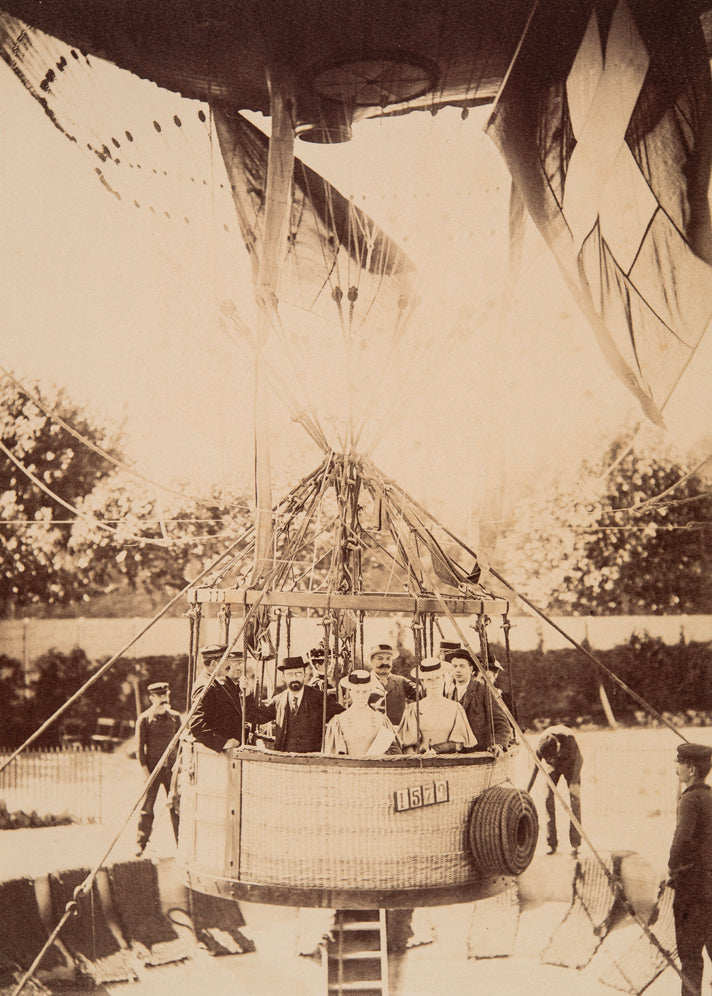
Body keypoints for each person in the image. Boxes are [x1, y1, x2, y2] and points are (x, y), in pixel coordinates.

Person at [668, 742, 712, 996]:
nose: (677, 768)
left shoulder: (690, 799)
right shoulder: (709, 795)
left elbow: (682, 839)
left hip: (692, 888)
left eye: (680, 763)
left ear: (692, 769)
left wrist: (673, 868)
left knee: (691, 956)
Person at [254, 655, 343, 753]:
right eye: (290, 674)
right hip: (285, 758)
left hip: (313, 758)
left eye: (298, 674)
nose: (294, 678)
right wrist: (246, 695)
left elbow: (342, 716)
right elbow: (256, 716)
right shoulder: (278, 700)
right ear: (284, 677)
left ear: (304, 675)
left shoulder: (319, 698)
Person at [135, 681, 181, 856]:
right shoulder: (144, 719)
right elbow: (140, 751)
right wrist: (147, 775)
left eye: (165, 695)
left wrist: (179, 770)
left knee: (177, 807)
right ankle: (140, 844)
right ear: (151, 698)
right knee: (147, 808)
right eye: (159, 696)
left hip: (173, 772)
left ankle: (181, 843)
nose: (163, 699)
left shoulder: (175, 717)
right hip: (152, 771)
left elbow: (181, 745)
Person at [397, 658, 476, 754]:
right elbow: (407, 745)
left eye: (438, 678)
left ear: (443, 679)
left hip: (449, 762)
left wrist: (437, 749)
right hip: (421, 762)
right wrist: (416, 759)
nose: (434, 683)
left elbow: (459, 744)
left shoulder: (455, 708)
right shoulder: (413, 709)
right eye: (429, 679)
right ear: (423, 682)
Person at [526, 724, 583, 856]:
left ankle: (575, 843)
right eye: (548, 758)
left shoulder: (569, 739)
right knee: (547, 799)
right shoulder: (540, 746)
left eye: (552, 756)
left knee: (575, 801)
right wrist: (526, 791)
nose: (551, 759)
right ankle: (551, 843)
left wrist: (574, 783)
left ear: (557, 746)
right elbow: (534, 770)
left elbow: (579, 760)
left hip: (571, 767)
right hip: (553, 769)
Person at [445, 648, 510, 756]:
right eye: (454, 666)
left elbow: (502, 723)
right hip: (456, 755)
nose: (458, 670)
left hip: (481, 754)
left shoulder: (484, 690)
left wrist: (499, 745)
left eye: (462, 666)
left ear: (471, 669)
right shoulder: (449, 693)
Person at [188, 649, 255, 753]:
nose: (229, 666)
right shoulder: (206, 686)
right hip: (221, 754)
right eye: (226, 662)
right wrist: (222, 743)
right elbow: (197, 725)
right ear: (214, 663)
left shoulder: (215, 682)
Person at [324, 670, 402, 756]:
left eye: (365, 691)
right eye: (357, 691)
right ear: (350, 691)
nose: (361, 696)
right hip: (349, 768)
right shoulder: (339, 721)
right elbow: (333, 756)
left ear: (370, 692)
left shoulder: (381, 719)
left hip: (376, 768)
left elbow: (395, 752)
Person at [367, 643, 418, 726]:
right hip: (373, 735)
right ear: (371, 661)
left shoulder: (401, 681)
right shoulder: (364, 682)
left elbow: (421, 693)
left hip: (397, 735)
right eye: (380, 658)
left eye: (388, 659)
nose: (385, 662)